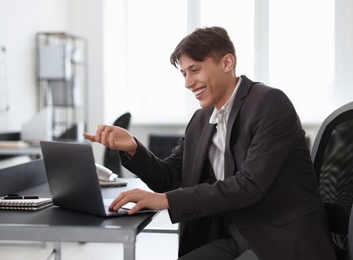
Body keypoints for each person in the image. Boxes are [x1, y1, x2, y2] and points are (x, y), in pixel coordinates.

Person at [83, 26, 336, 260]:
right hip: (236, 237)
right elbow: (169, 176)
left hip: (281, 240)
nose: (188, 83)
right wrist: (133, 148)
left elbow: (249, 186)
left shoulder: (269, 103)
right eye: (184, 73)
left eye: (195, 70)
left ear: (227, 62)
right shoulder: (203, 118)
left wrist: (166, 200)